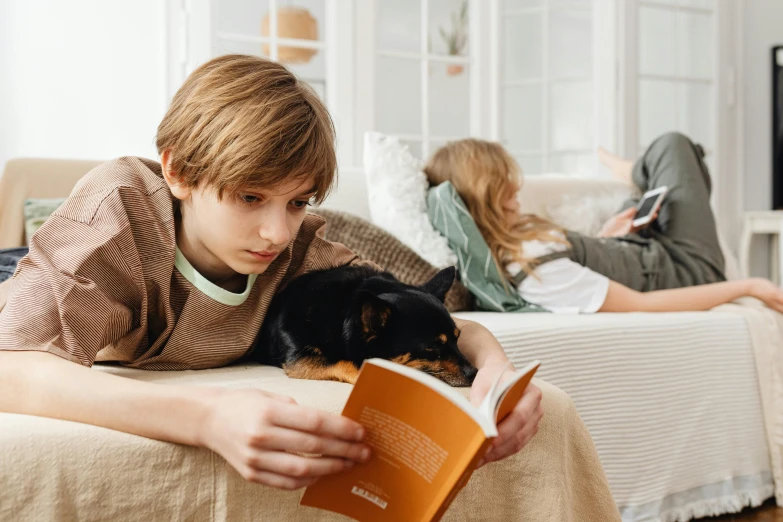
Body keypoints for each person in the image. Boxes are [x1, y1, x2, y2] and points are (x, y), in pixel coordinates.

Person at [0, 56, 623, 521]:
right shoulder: (114, 214)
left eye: (297, 201)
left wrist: (493, 372)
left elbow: (432, 314)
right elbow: (12, 367)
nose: (276, 230)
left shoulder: (297, 251)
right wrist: (205, 416)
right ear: (179, 172)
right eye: (250, 197)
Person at [425, 133, 783, 314]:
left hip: (643, 249)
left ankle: (638, 172)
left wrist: (606, 238)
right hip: (688, 267)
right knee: (675, 146)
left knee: (668, 171)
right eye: (506, 190)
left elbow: (583, 266)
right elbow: (643, 306)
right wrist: (747, 286)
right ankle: (634, 169)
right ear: (483, 199)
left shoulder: (518, 241)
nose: (517, 192)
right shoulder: (534, 273)